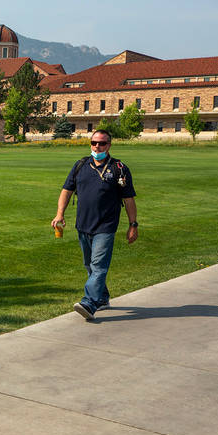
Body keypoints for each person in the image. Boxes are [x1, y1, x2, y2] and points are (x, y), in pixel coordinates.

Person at [50, 129, 138, 320]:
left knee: (98, 266)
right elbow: (67, 190)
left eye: (102, 143)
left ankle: (89, 303)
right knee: (89, 265)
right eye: (94, 143)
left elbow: (129, 199)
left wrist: (133, 225)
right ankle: (103, 297)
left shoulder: (119, 168)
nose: (97, 146)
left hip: (105, 226)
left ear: (109, 145)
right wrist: (59, 214)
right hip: (83, 224)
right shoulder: (81, 165)